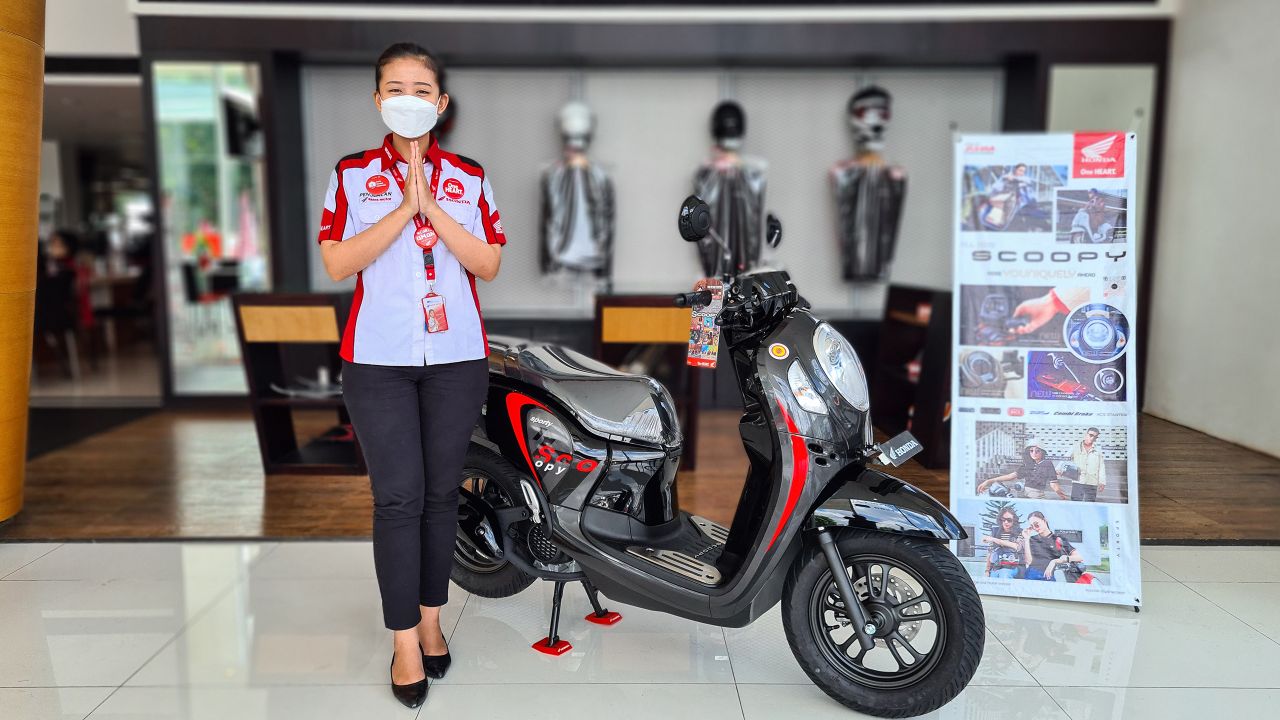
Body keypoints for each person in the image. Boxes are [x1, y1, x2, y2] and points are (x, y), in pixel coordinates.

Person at [316, 42, 507, 709]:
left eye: (421, 90)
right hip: (377, 362)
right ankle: (403, 640)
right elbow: (337, 263)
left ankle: (431, 619)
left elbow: (487, 264)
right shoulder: (352, 174)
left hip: (456, 359)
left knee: (440, 496)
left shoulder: (470, 177)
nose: (408, 99)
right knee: (398, 498)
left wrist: (434, 207)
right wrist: (403, 208)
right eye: (395, 89)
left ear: (440, 103)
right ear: (378, 100)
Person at [977, 437, 1064, 500]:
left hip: (1037, 497)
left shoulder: (1047, 463)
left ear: (1042, 452)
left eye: (1037, 451)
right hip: (1024, 495)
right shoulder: (1027, 465)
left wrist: (1059, 492)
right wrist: (989, 481)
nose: (1034, 453)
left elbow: (1053, 484)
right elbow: (1011, 476)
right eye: (1031, 450)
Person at [1022, 511, 1084, 581]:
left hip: (1049, 576)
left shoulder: (1058, 539)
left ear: (1044, 520)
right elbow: (1028, 562)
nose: (1035, 528)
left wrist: (1055, 561)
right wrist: (1026, 539)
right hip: (1031, 575)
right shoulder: (1032, 539)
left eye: (1036, 524)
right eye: (1032, 526)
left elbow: (1079, 557)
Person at [982, 508, 1024, 579]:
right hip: (996, 567)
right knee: (992, 578)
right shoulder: (995, 532)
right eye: (1003, 520)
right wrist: (987, 570)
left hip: (1012, 567)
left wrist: (993, 539)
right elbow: (990, 552)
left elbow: (1017, 546)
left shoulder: (1019, 532)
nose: (1006, 522)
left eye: (1009, 520)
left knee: (1004, 573)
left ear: (1014, 520)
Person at [1069, 427, 1108, 502]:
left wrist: (1102, 481)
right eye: (1091, 435)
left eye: (1095, 437)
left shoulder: (1098, 451)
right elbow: (1065, 459)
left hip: (1092, 482)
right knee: (1075, 503)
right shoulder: (1075, 447)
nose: (1092, 438)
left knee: (1090, 504)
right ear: (1086, 434)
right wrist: (1060, 470)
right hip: (1078, 481)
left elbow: (1101, 467)